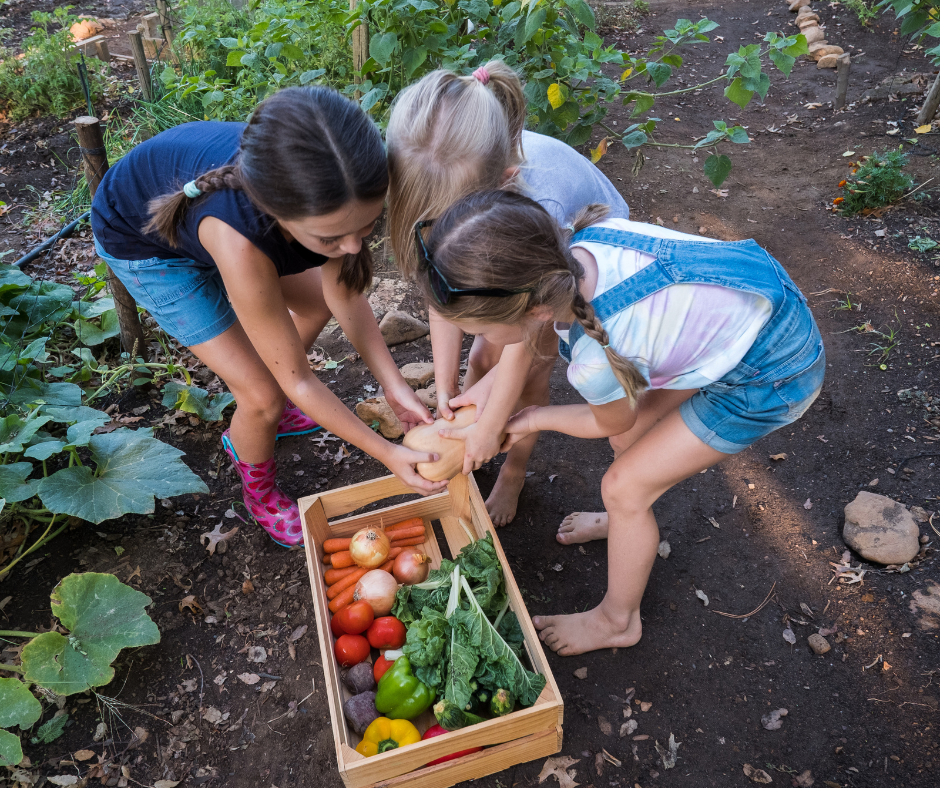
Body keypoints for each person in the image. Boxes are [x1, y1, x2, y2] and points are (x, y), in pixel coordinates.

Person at [413, 190, 825, 656]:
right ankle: (625, 525)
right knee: (633, 441)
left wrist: (530, 418)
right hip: (751, 305)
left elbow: (606, 420)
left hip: (770, 371)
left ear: (534, 309)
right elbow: (526, 343)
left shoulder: (594, 358)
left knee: (624, 487)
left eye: (482, 332)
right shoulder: (572, 255)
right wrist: (483, 400)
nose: (481, 342)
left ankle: (617, 620)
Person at [91, 86, 446, 548]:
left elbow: (344, 298)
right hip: (143, 243)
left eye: (367, 227)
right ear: (278, 215)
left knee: (314, 304)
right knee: (261, 395)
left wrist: (394, 387)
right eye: (332, 238)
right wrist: (387, 453)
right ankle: (258, 489)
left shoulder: (335, 191)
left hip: (209, 224)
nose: (355, 247)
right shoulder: (242, 240)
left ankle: (267, 414)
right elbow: (300, 381)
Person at [385, 60, 630, 526]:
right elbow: (444, 293)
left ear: (503, 183)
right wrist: (445, 385)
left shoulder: (542, 207)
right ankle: (474, 439)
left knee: (527, 374)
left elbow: (527, 345)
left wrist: (494, 422)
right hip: (512, 269)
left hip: (575, 268)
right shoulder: (443, 182)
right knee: (480, 362)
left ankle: (513, 471)